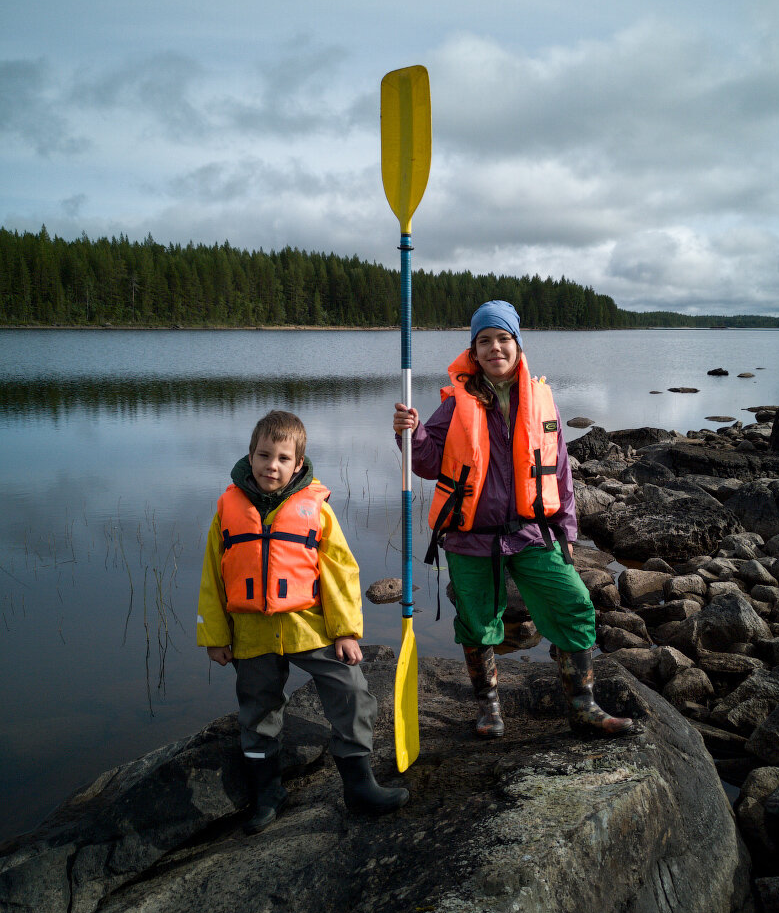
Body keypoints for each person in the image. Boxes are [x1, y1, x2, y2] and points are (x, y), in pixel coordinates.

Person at [393, 300, 640, 741]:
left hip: (532, 533)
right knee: (476, 620)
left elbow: (560, 469)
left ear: (518, 345)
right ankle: (488, 707)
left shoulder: (542, 400)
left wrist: (567, 530)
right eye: (484, 341)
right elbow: (428, 464)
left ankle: (583, 707)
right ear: (474, 351)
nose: (494, 348)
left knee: (574, 604)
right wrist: (410, 434)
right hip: (470, 537)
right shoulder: (455, 404)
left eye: (503, 339)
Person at [197, 409, 408, 832]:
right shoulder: (228, 509)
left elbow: (340, 571)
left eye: (282, 459)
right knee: (257, 710)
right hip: (252, 633)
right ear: (250, 455)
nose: (271, 466)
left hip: (309, 626)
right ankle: (267, 793)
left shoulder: (315, 508)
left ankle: (359, 784)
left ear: (298, 463)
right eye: (263, 456)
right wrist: (215, 637)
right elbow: (212, 577)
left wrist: (346, 631)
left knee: (349, 688)